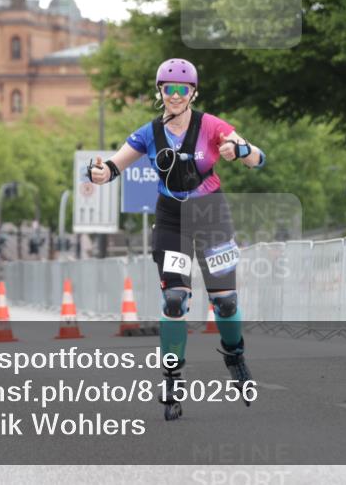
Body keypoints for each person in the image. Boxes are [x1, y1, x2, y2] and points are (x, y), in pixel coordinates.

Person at [88, 58, 266, 420]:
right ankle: (172, 377)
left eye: (182, 89)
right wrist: (98, 172)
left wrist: (240, 150)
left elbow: (259, 159)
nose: (175, 95)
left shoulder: (211, 126)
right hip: (172, 219)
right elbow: (113, 166)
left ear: (193, 93)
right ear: (160, 92)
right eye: (168, 89)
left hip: (211, 215)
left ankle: (235, 357)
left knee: (226, 302)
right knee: (174, 300)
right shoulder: (148, 133)